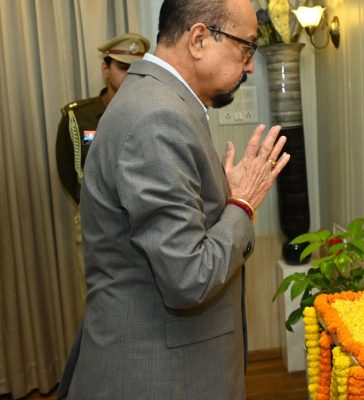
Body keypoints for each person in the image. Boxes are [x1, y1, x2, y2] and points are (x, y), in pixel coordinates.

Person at [57, 0, 290, 398]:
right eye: (246, 46)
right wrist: (242, 204)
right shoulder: (156, 117)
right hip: (159, 375)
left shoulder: (159, 100)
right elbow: (189, 278)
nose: (250, 65)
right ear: (198, 39)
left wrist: (223, 199)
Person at [55, 32, 150, 300]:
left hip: (143, 223)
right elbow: (68, 173)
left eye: (136, 68)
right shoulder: (78, 117)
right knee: (98, 300)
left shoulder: (151, 112)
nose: (130, 75)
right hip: (96, 224)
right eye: (122, 67)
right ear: (105, 68)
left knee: (142, 302)